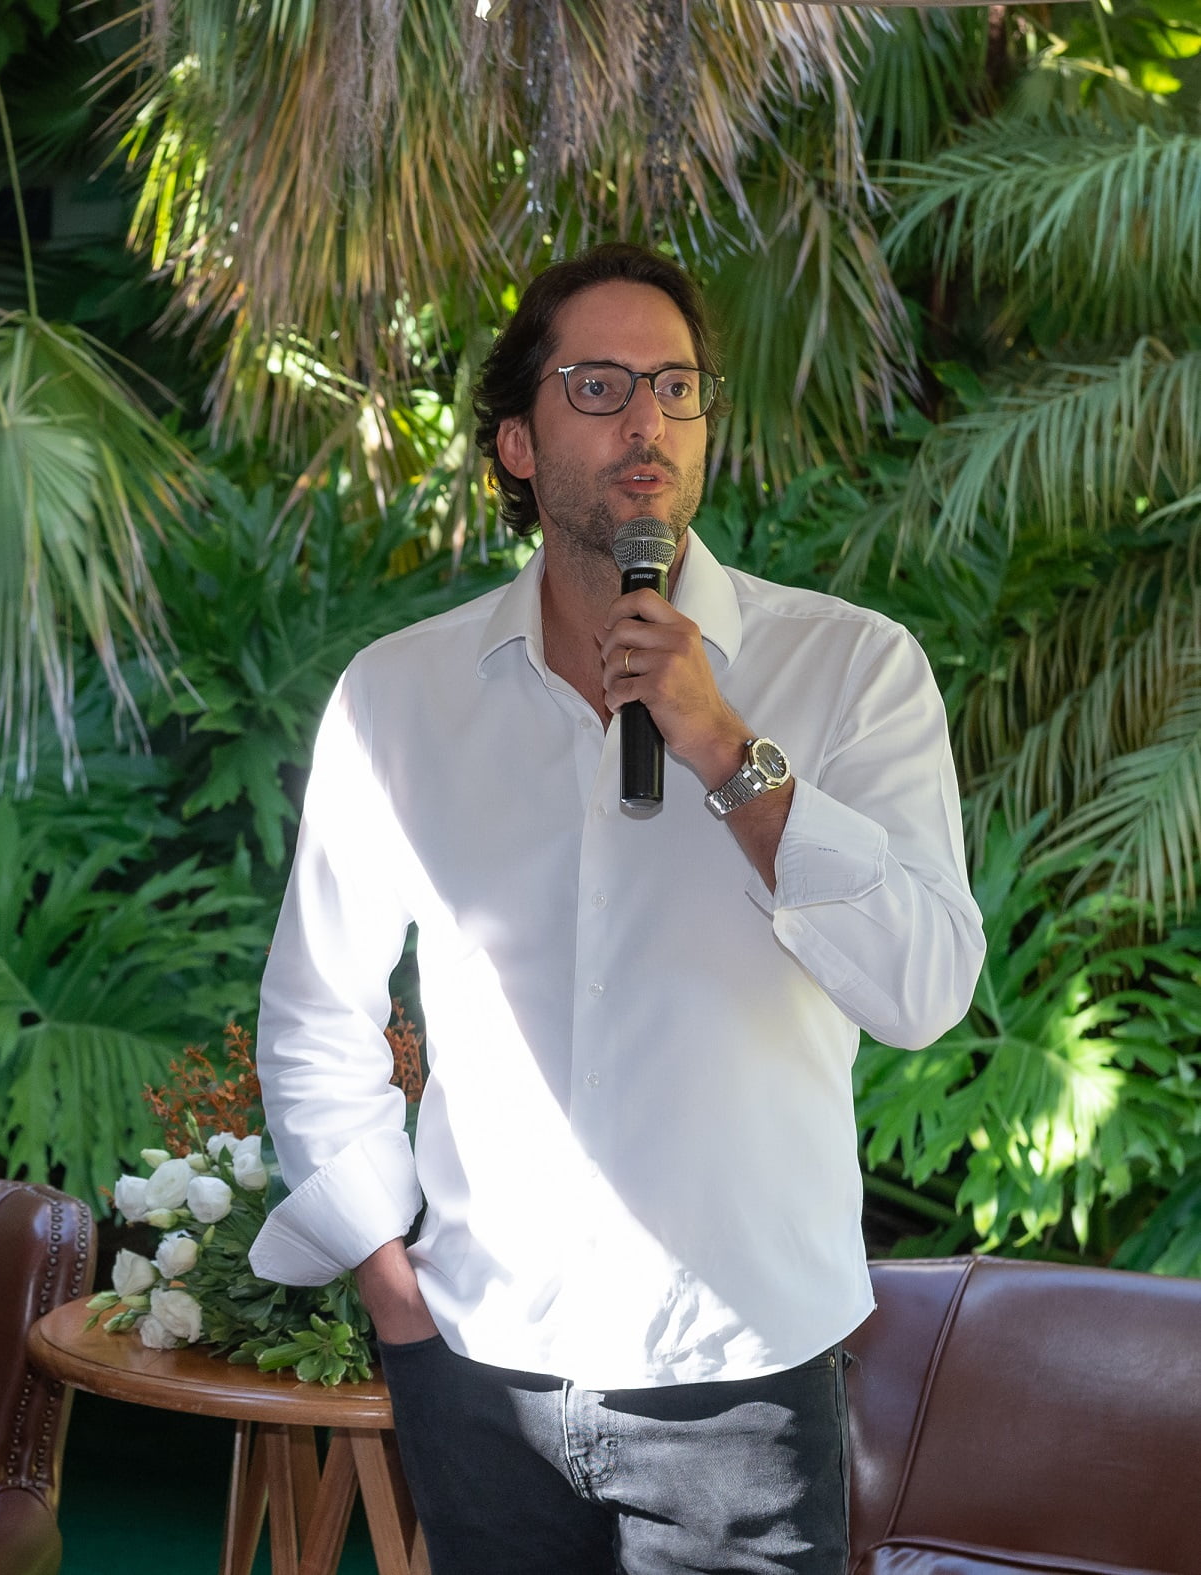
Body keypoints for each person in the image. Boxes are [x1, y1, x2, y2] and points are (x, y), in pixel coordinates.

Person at [249, 243, 985, 1574]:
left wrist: (726, 751)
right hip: (479, 1375)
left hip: (742, 1389)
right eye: (596, 386)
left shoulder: (851, 670)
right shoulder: (400, 699)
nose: (644, 420)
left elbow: (924, 989)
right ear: (517, 443)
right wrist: (387, 1279)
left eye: (674, 385)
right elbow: (315, 1009)